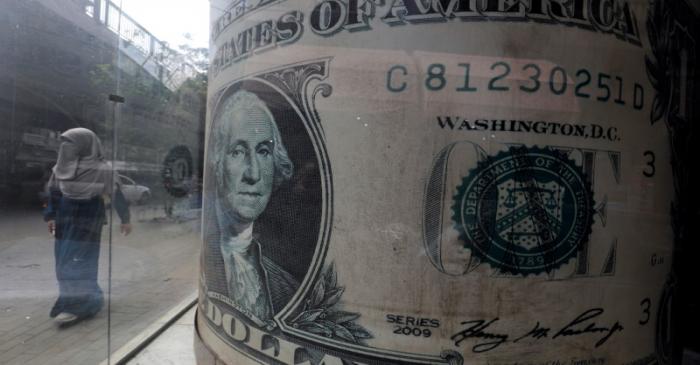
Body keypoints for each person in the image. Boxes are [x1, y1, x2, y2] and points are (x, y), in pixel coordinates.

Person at [203, 90, 298, 327]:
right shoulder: (206, 262)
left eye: (264, 152)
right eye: (238, 151)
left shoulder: (286, 288)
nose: (253, 174)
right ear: (216, 161)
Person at [43, 128, 132, 326]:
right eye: (64, 143)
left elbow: (116, 194)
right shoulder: (62, 166)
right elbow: (55, 191)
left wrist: (125, 219)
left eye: (71, 143)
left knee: (78, 261)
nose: (66, 147)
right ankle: (85, 299)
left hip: (88, 216)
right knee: (62, 262)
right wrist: (50, 215)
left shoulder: (102, 169)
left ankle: (78, 307)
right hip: (65, 216)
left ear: (85, 144)